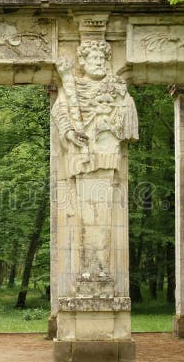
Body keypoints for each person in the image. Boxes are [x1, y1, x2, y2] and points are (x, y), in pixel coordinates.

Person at [52, 40, 138, 276]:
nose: (99, 62)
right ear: (83, 61)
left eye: (102, 59)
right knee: (85, 213)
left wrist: (107, 120)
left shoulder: (117, 86)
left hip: (106, 151)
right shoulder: (73, 86)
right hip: (82, 153)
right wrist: (70, 132)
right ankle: (92, 269)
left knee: (102, 211)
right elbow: (60, 111)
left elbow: (126, 116)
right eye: (94, 59)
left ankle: (98, 270)